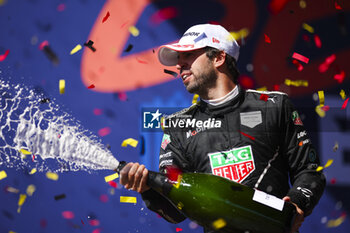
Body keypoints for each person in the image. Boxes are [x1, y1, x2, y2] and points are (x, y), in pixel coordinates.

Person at [119, 23, 326, 233]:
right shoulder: (178, 126)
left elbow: (309, 170)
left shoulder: (274, 106)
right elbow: (175, 213)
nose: (180, 66)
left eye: (188, 56)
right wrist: (148, 190)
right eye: (178, 61)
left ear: (218, 58)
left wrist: (298, 203)